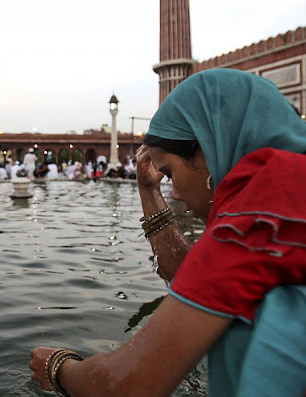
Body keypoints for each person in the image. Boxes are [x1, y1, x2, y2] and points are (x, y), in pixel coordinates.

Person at [29, 69, 306, 396]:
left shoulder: (261, 217)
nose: (174, 192)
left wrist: (59, 368)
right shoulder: (287, 199)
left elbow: (122, 387)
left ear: (208, 149)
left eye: (169, 173)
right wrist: (149, 190)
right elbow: (201, 281)